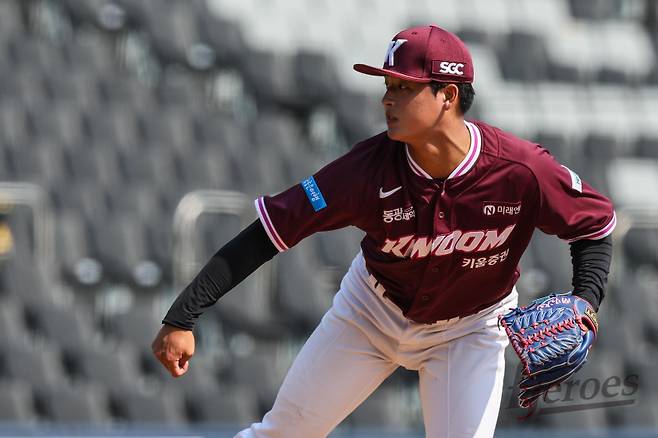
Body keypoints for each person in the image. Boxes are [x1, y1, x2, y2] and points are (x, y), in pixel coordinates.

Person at [152, 24, 614, 437]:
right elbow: (268, 232)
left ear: (448, 95)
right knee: (283, 435)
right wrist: (182, 316)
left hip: (470, 328)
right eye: (388, 85)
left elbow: (595, 225)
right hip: (371, 313)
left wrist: (585, 302)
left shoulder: (520, 169)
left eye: (403, 88)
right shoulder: (364, 170)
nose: (387, 99)